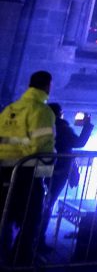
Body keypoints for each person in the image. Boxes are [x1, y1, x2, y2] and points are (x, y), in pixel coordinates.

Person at [0, 70, 56, 266]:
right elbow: (42, 145)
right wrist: (52, 160)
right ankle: (21, 258)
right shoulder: (41, 111)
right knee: (30, 219)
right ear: (48, 86)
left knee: (5, 215)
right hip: (27, 173)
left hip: (4, 170)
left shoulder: (11, 108)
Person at [40, 103, 93, 244]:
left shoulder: (42, 125)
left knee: (42, 201)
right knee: (47, 204)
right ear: (59, 113)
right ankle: (38, 240)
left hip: (42, 168)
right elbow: (78, 142)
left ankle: (34, 237)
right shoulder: (62, 127)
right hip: (58, 171)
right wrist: (87, 125)